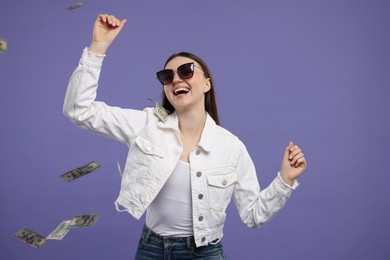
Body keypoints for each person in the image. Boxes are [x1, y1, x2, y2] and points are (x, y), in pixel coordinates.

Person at [63, 14, 307, 260]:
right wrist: (98, 47)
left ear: (207, 84)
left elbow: (254, 217)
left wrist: (284, 180)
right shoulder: (146, 125)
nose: (176, 79)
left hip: (205, 254)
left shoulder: (231, 147)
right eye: (167, 76)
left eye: (186, 71)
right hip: (151, 250)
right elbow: (79, 110)